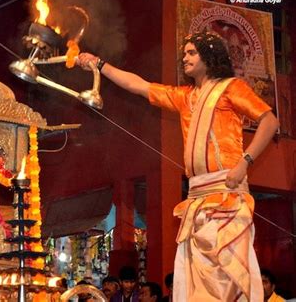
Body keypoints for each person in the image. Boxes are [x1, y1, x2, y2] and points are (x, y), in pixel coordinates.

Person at [78, 31, 279, 302]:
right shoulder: (186, 97)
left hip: (226, 193)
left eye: (191, 53)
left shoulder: (232, 88)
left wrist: (245, 162)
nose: (184, 58)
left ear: (209, 57)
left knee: (226, 280)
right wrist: (100, 64)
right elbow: (140, 86)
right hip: (196, 199)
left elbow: (269, 121)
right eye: (184, 53)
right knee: (198, 282)